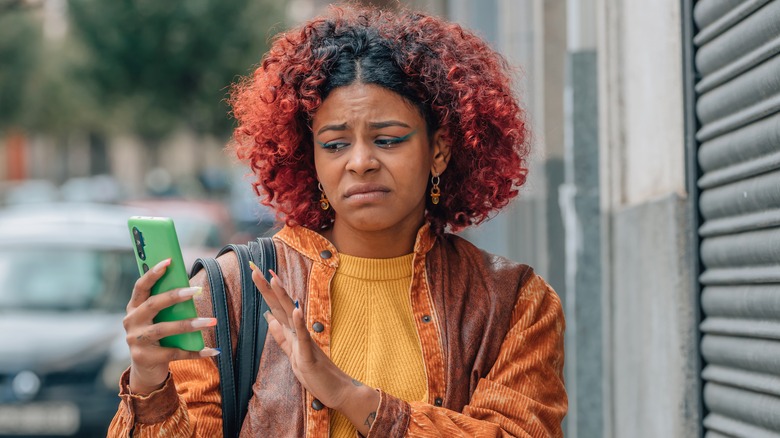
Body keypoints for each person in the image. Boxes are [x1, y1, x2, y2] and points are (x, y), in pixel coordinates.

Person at [109, 4, 567, 437]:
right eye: (334, 144)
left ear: (440, 150)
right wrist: (150, 385)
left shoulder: (513, 303)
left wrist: (350, 396)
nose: (361, 162)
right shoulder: (233, 291)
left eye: (388, 140)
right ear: (309, 158)